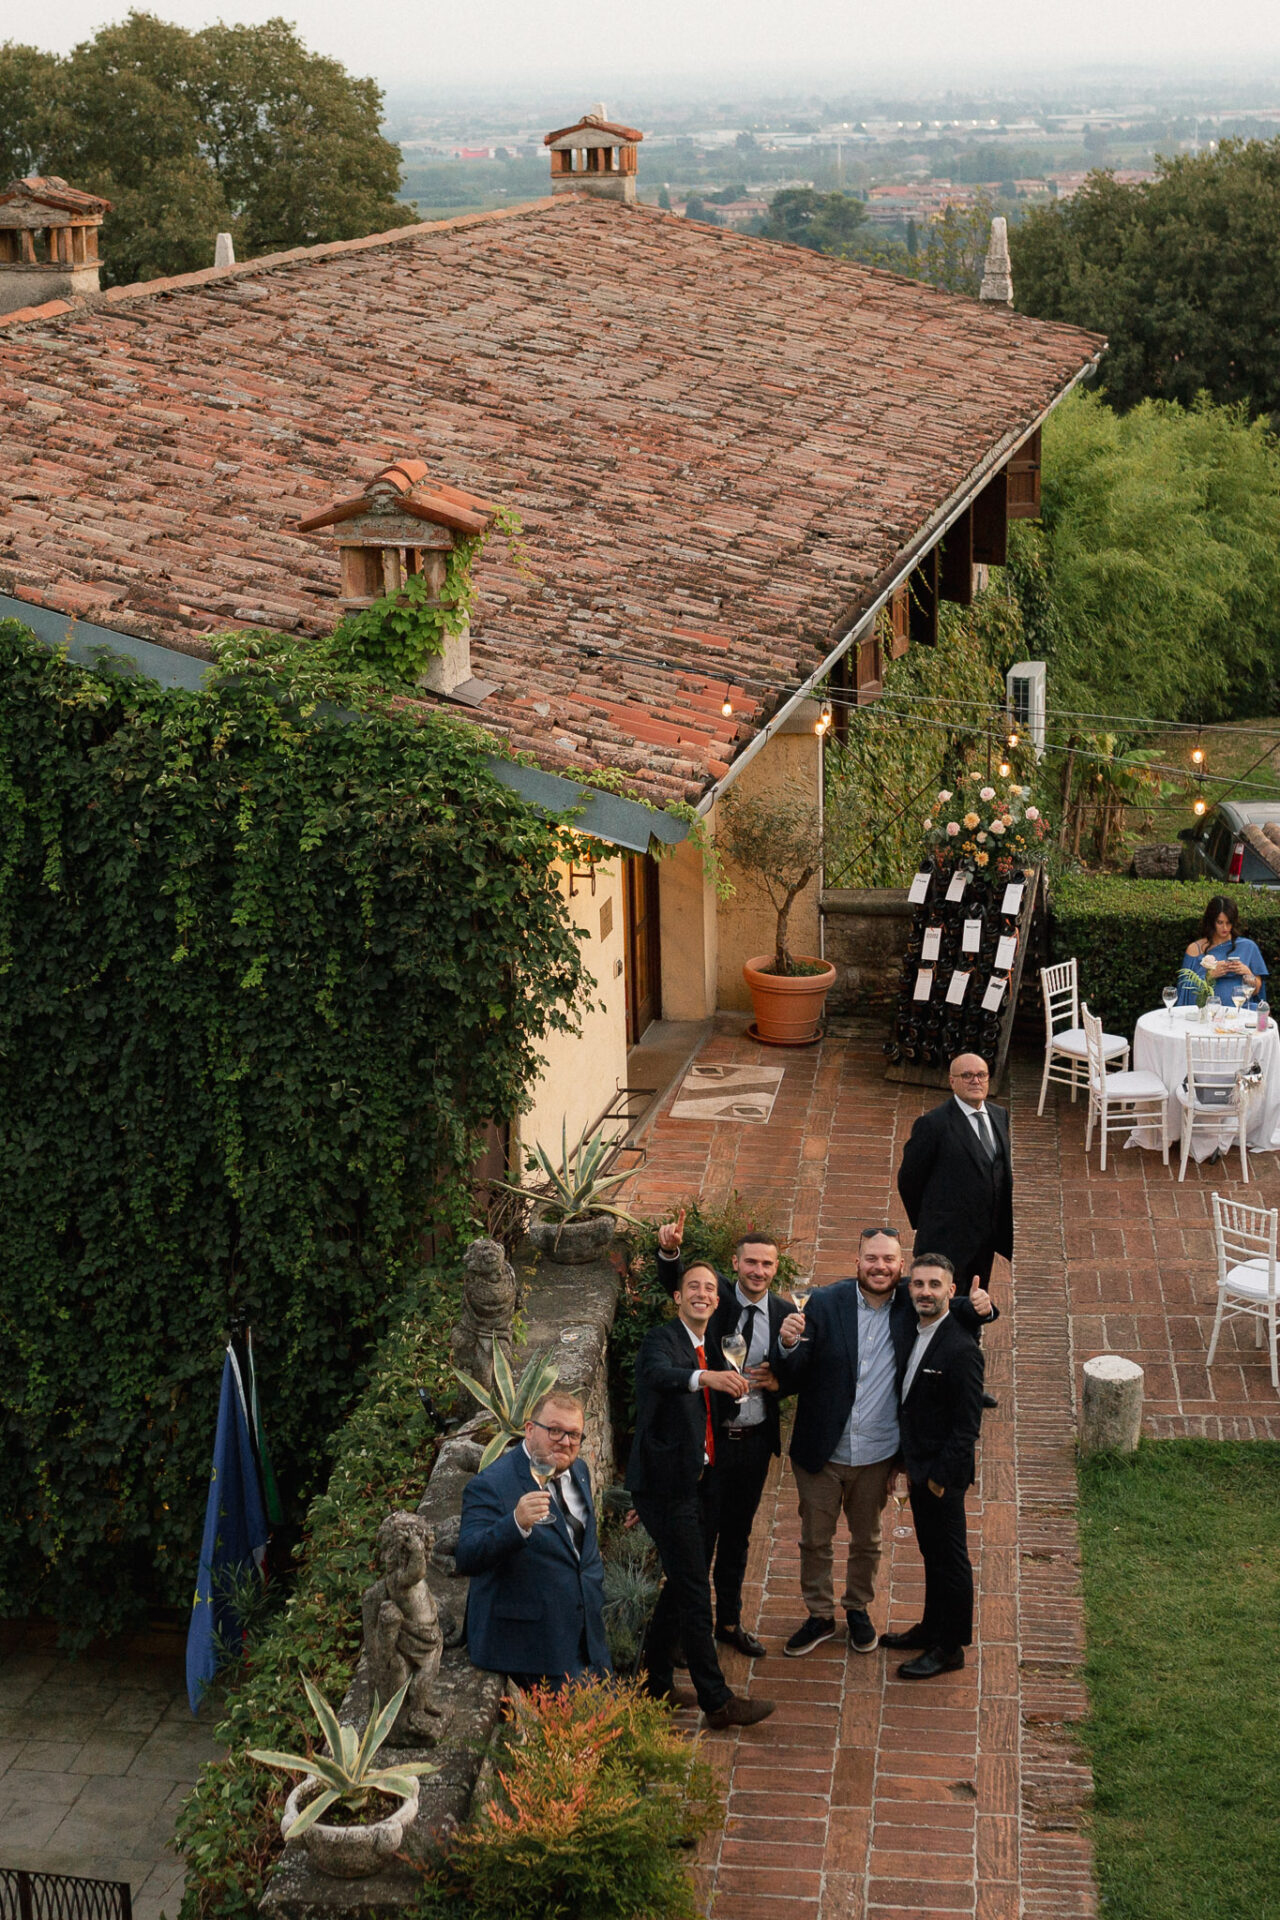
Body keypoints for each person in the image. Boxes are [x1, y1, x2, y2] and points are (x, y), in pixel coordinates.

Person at [773, 1227, 994, 1658]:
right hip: (822, 1450)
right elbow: (796, 1371)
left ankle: (858, 1609)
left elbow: (957, 1305)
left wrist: (986, 1308)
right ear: (857, 1262)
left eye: (889, 1260)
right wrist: (787, 1344)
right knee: (814, 1539)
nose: (879, 1266)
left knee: (867, 1540)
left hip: (877, 1454)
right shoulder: (823, 1303)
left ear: (900, 1269)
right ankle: (819, 1615)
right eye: (871, 1258)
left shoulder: (912, 1306)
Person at [626, 1259, 776, 1728]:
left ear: (718, 1299)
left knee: (682, 1580)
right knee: (695, 1588)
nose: (703, 1294)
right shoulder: (663, 1341)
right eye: (693, 1287)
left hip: (702, 1482)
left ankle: (653, 1684)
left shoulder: (713, 1342)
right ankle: (717, 1700)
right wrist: (704, 1378)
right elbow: (660, 1376)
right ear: (678, 1297)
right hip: (666, 1487)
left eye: (711, 1289)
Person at [656, 1214, 790, 1658]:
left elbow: (802, 1370)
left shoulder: (787, 1313)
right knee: (699, 1542)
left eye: (766, 1264)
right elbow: (679, 1290)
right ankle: (676, 1636)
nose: (758, 1271)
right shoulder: (718, 1304)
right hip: (713, 1444)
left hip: (754, 1443)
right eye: (750, 1262)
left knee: (738, 1537)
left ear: (776, 1267)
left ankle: (728, 1622)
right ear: (735, 1264)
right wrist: (669, 1254)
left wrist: (780, 1381)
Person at [455, 1388, 610, 1691]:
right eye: (555, 1430)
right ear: (529, 1430)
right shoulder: (490, 1485)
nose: (565, 1442)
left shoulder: (578, 1469)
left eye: (574, 1435)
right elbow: (468, 1557)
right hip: (533, 1652)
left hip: (588, 1638)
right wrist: (515, 1524)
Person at [881, 1253, 985, 1680]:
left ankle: (951, 1647)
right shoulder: (913, 1327)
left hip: (942, 1475)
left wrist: (939, 1479)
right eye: (919, 1284)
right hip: (919, 1467)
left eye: (935, 1285)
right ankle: (930, 1627)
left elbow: (967, 1427)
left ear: (951, 1291)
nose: (926, 1292)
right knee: (931, 1553)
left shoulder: (961, 1349)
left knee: (951, 1559)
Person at [896, 1054, 1013, 1301]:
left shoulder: (999, 1116)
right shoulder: (933, 1124)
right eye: (967, 1075)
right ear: (952, 1081)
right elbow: (909, 1179)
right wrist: (931, 1220)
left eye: (981, 1075)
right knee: (938, 1305)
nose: (975, 1081)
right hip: (945, 1240)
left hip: (984, 1239)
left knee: (976, 1300)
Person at [1178, 895, 1268, 1007]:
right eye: (1220, 922)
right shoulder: (1195, 949)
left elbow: (1257, 991)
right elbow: (1184, 992)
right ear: (1211, 921)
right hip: (1206, 1014)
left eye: (1228, 922)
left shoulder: (1248, 947)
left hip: (1241, 1013)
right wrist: (1209, 976)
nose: (1225, 928)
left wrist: (1247, 973)